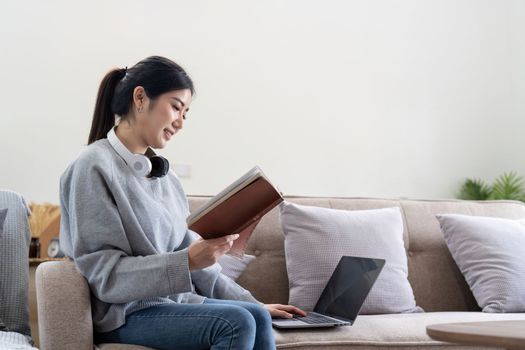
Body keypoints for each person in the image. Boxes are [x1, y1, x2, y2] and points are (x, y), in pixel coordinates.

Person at [59, 56, 305, 350]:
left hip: (172, 306)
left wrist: (254, 303)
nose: (180, 122)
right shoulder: (92, 167)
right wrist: (185, 261)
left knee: (255, 316)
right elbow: (106, 276)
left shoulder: (165, 177)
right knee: (235, 322)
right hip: (123, 314)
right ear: (140, 97)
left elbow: (195, 261)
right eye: (176, 107)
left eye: (186, 113)